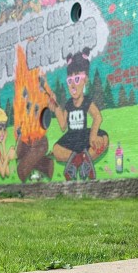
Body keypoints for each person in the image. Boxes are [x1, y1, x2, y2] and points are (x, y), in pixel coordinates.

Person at [49, 48, 108, 180]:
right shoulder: (69, 104)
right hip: (71, 138)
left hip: (85, 136)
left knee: (104, 139)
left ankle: (80, 162)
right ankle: (80, 160)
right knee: (56, 150)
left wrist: (93, 136)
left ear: (85, 80)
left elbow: (97, 116)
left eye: (77, 79)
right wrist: (56, 108)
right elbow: (63, 126)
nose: (72, 86)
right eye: (70, 81)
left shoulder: (86, 101)